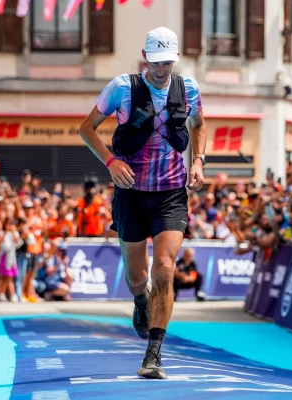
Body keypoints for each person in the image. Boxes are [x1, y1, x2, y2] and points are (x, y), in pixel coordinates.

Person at [79, 26, 206, 379]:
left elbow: (198, 125)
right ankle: (139, 301)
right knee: (137, 279)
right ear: (145, 58)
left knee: (164, 267)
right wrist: (111, 161)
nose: (163, 68)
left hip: (170, 194)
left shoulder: (189, 88)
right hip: (131, 194)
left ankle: (154, 354)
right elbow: (86, 129)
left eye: (168, 62)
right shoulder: (122, 87)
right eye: (156, 62)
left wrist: (198, 160)